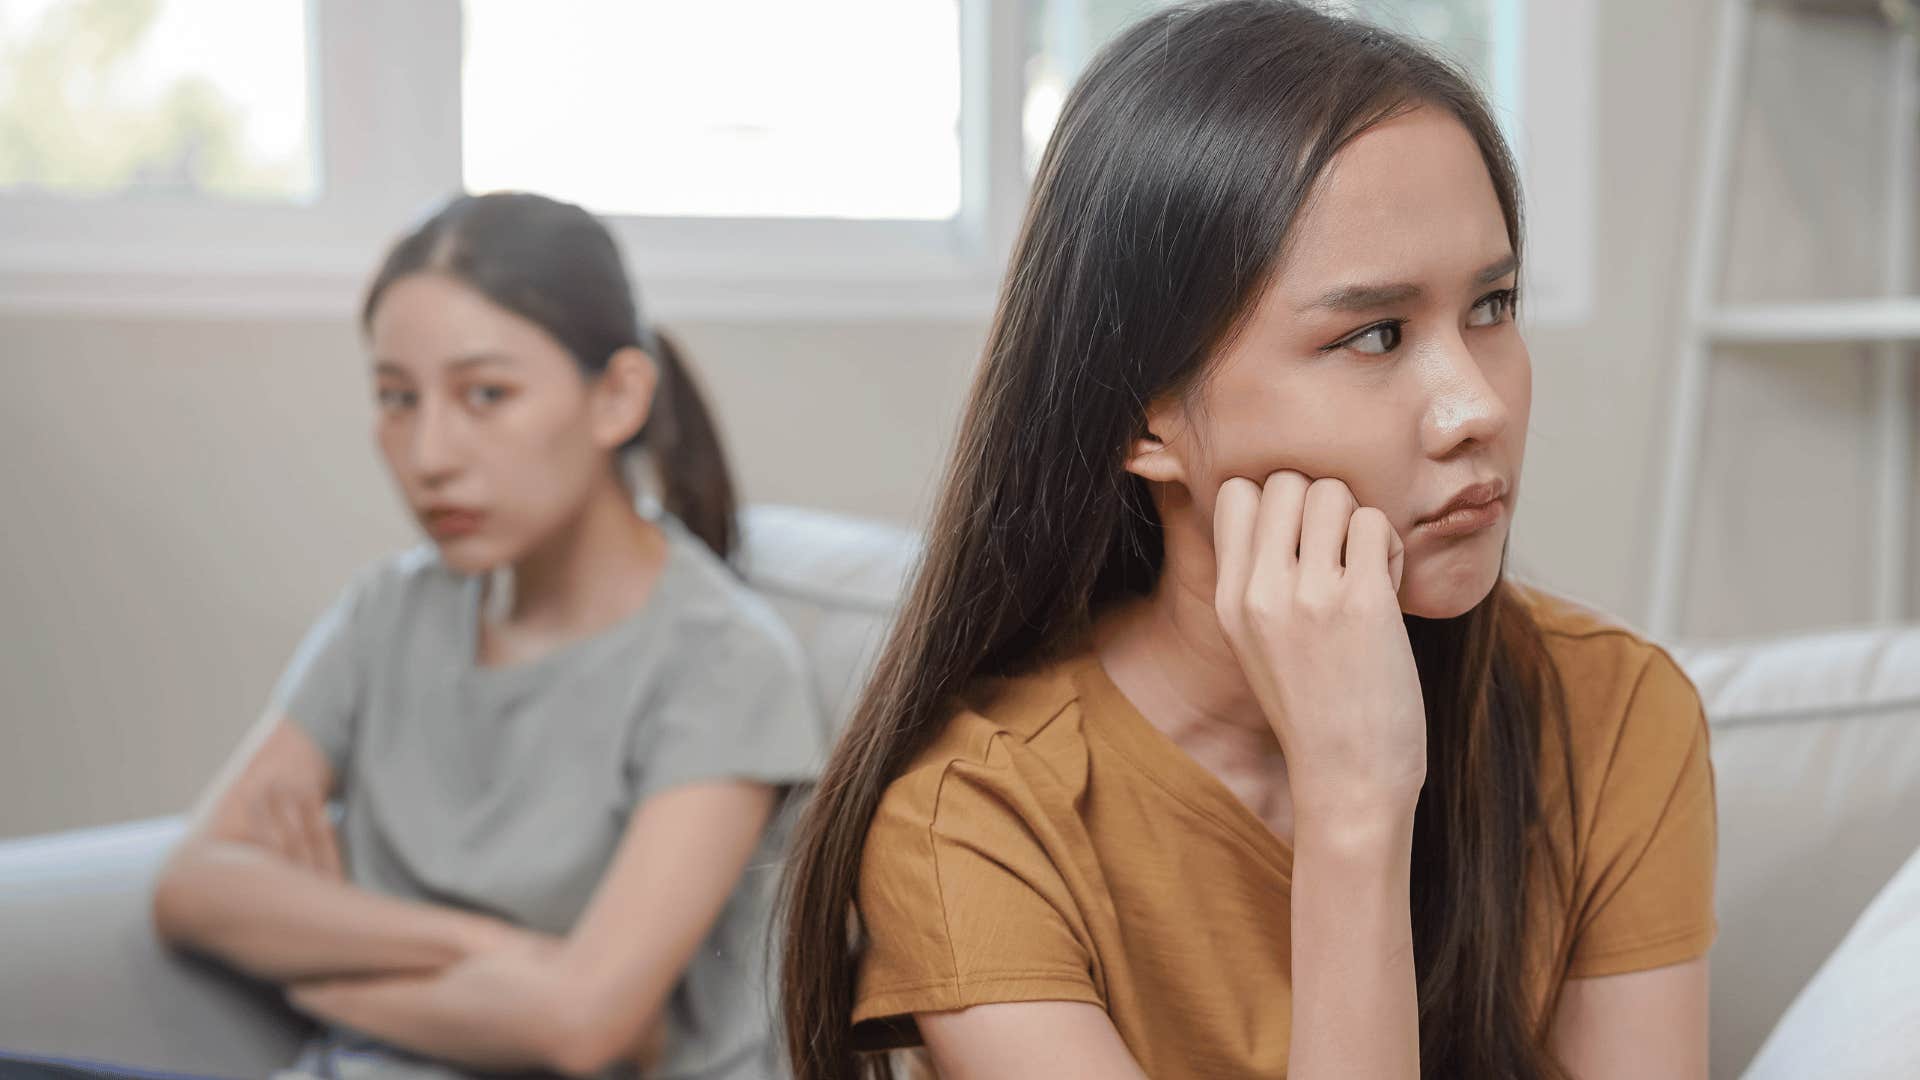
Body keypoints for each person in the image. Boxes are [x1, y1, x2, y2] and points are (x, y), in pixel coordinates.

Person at [779, 3, 1716, 1078]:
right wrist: (1355, 803)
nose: (1477, 409)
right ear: (1144, 417)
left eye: (1493, 306)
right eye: (1375, 334)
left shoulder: (1612, 715)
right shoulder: (978, 822)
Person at [152, 192, 825, 1080]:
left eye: (486, 394)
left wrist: (316, 953)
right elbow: (191, 888)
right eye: (396, 398)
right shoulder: (383, 615)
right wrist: (485, 950)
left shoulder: (723, 662)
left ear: (617, 397)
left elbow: (585, 1028)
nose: (430, 454)